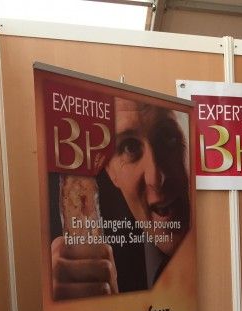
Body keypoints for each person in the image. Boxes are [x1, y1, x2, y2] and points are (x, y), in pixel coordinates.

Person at [50, 97, 190, 299]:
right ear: (109, 170)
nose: (155, 178)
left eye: (167, 137)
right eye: (130, 147)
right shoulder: (102, 265)